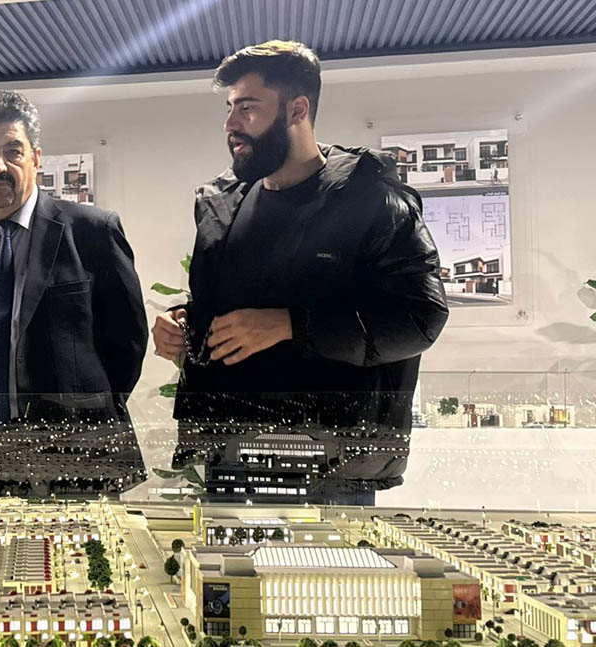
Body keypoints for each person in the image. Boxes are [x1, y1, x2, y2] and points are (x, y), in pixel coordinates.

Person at [150, 41, 449, 499]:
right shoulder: (221, 204)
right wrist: (184, 326)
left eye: (248, 107)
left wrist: (292, 325)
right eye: (230, 108)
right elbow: (224, 307)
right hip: (230, 458)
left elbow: (419, 318)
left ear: (297, 109)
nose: (231, 124)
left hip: (329, 471)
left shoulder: (372, 199)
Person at [0, 90, 148, 432]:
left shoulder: (93, 232)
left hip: (69, 444)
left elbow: (127, 346)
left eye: (13, 151)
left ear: (36, 158)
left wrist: (88, 419)